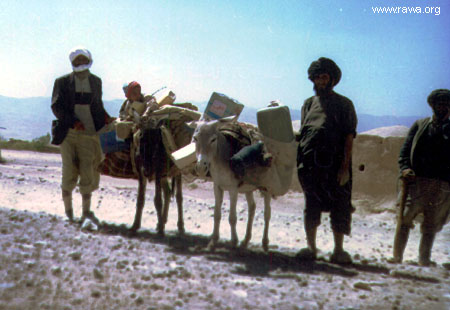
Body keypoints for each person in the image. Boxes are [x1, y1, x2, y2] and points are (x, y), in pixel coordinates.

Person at [296, 57, 357, 264]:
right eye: (317, 77)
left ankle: (338, 250)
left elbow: (349, 136)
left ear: (332, 79)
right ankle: (311, 248)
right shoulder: (308, 104)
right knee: (311, 205)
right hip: (310, 165)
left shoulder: (344, 104)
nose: (321, 81)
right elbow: (303, 133)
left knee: (340, 206)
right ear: (313, 80)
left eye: (324, 77)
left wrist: (345, 168)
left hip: (335, 165)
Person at [51, 46, 112, 223]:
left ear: (88, 60)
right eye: (77, 60)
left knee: (88, 171)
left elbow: (97, 106)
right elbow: (56, 106)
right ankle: (69, 213)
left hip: (89, 133)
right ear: (72, 62)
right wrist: (73, 122)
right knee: (68, 170)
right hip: (68, 134)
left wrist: (106, 118)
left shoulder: (96, 81)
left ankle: (86, 213)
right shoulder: (62, 82)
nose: (80, 63)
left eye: (83, 59)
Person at [391, 89, 450, 266]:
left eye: (446, 105)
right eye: (439, 104)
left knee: (431, 224)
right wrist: (405, 169)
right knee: (404, 219)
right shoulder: (420, 125)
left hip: (441, 185)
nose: (442, 108)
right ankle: (397, 257)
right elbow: (405, 151)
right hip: (415, 182)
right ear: (432, 106)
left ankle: (424, 259)